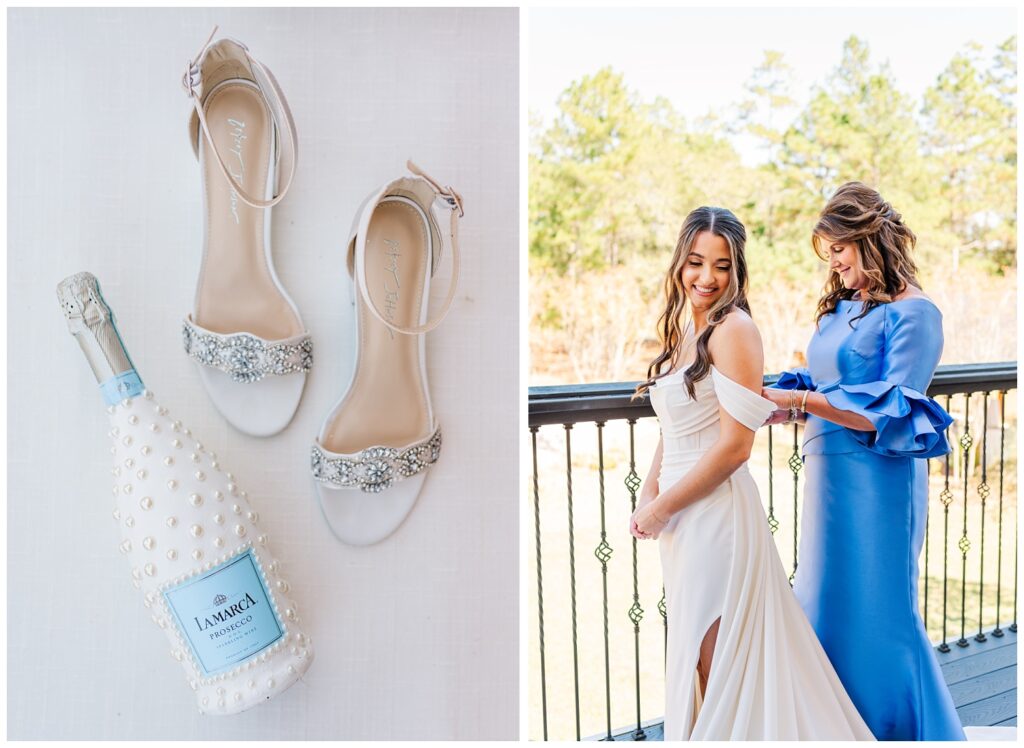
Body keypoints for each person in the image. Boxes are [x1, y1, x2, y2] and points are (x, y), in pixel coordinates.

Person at [631, 206, 873, 740]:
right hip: (681, 518)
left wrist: (662, 506)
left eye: (721, 265)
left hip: (715, 514)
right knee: (698, 655)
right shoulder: (684, 329)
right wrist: (650, 494)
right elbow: (675, 428)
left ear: (737, 269)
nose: (706, 277)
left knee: (717, 660)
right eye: (695, 262)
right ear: (679, 263)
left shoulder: (734, 329)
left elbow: (736, 446)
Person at [761, 182, 964, 741]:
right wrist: (790, 404)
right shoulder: (848, 306)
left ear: (868, 238)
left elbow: (892, 408)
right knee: (827, 610)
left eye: (839, 251)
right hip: (828, 477)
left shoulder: (915, 313)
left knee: (878, 619)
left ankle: (902, 731)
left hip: (879, 484)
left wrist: (801, 403)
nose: (836, 265)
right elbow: (835, 382)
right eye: (829, 255)